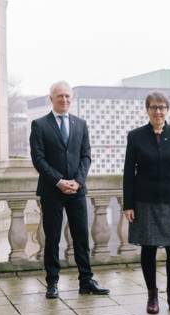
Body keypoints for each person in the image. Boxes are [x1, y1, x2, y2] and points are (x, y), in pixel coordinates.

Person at [30, 81, 110, 299]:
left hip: (76, 190)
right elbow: (38, 159)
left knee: (81, 237)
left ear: (71, 99)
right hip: (52, 191)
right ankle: (52, 282)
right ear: (51, 99)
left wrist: (78, 181)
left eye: (67, 96)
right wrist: (59, 181)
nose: (64, 100)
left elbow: (86, 155)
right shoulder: (39, 125)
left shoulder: (80, 124)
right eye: (60, 96)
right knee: (53, 238)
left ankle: (86, 280)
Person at [123, 91, 170, 314]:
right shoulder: (135, 137)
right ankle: (152, 297)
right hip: (145, 200)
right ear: (147, 110)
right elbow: (128, 173)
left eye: (162, 107)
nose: (158, 111)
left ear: (168, 110)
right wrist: (128, 204)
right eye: (154, 107)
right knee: (149, 248)